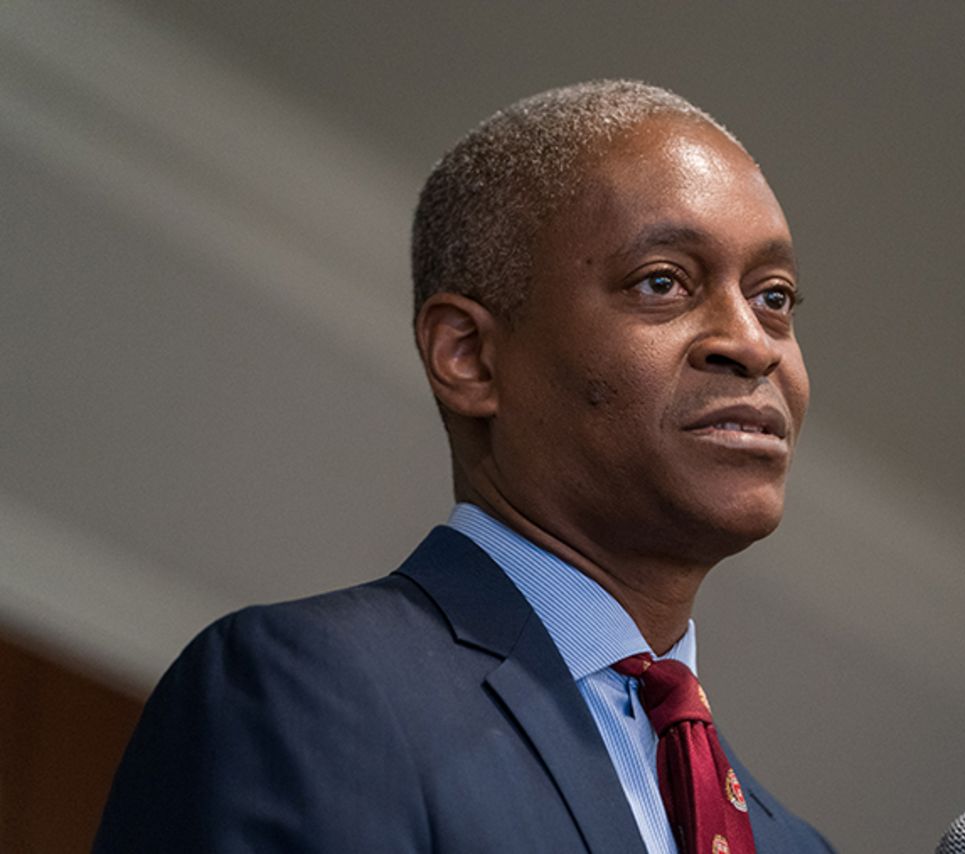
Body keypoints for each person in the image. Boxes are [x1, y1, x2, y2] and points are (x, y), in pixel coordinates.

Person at [94, 80, 832, 853]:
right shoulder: (312, 691)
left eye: (774, 297)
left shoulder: (798, 846)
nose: (753, 343)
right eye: (662, 282)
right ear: (470, 357)